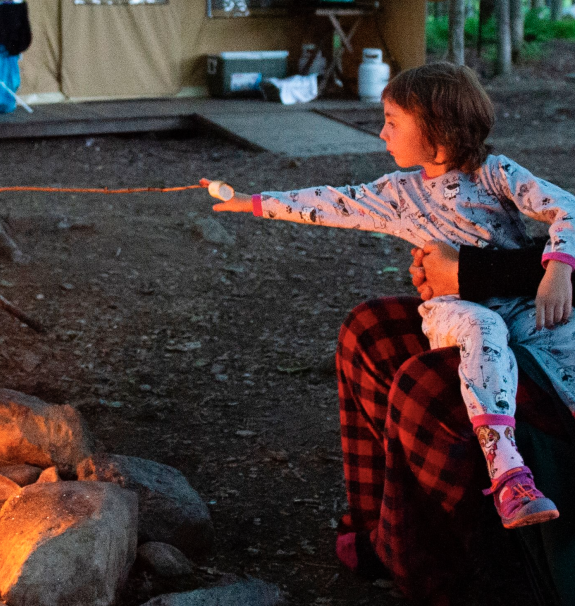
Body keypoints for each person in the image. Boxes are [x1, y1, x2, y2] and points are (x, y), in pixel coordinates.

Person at [203, 62, 575, 530]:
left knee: (563, 334)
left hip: (518, 302)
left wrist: (558, 268)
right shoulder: (399, 193)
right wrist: (252, 202)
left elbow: (566, 208)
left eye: (393, 122)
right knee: (485, 328)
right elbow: (329, 202)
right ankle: (507, 475)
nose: (382, 133)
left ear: (438, 134)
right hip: (453, 310)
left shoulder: (496, 173)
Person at [335, 242, 575, 603]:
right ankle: (388, 537)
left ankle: (451, 587)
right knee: (373, 331)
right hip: (549, 329)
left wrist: (470, 271)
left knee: (428, 388)